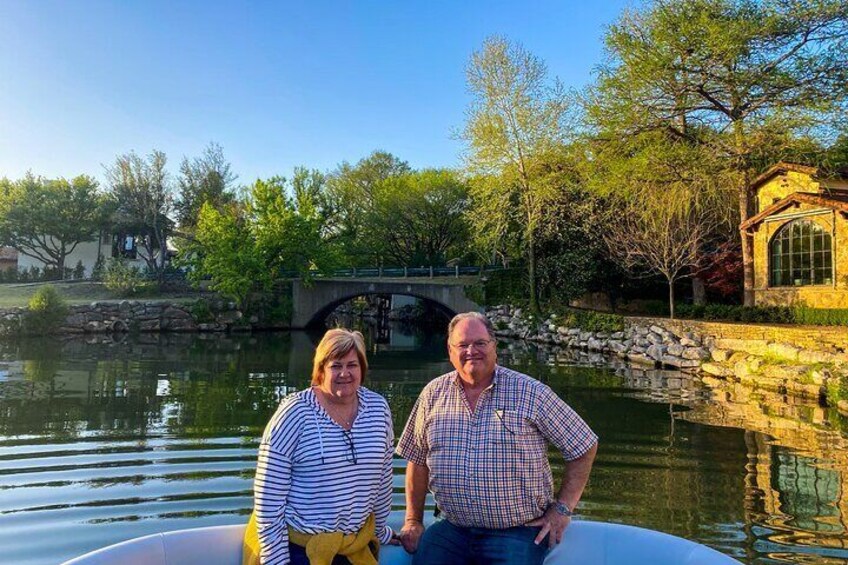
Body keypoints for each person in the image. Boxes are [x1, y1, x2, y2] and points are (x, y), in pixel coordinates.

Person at [396, 312, 598, 565]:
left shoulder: (530, 393)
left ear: (494, 346)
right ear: (450, 350)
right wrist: (413, 520)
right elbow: (417, 459)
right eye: (462, 345)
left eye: (480, 343)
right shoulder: (432, 394)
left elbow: (583, 445)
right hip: (452, 528)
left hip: (517, 532)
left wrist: (562, 510)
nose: (472, 351)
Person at [249, 328, 395, 565]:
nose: (345, 373)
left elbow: (383, 483)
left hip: (355, 544)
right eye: (336, 366)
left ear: (362, 369)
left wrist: (379, 532)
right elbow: (268, 498)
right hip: (301, 547)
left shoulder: (379, 409)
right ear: (320, 370)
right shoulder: (294, 413)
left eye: (352, 365)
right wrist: (276, 561)